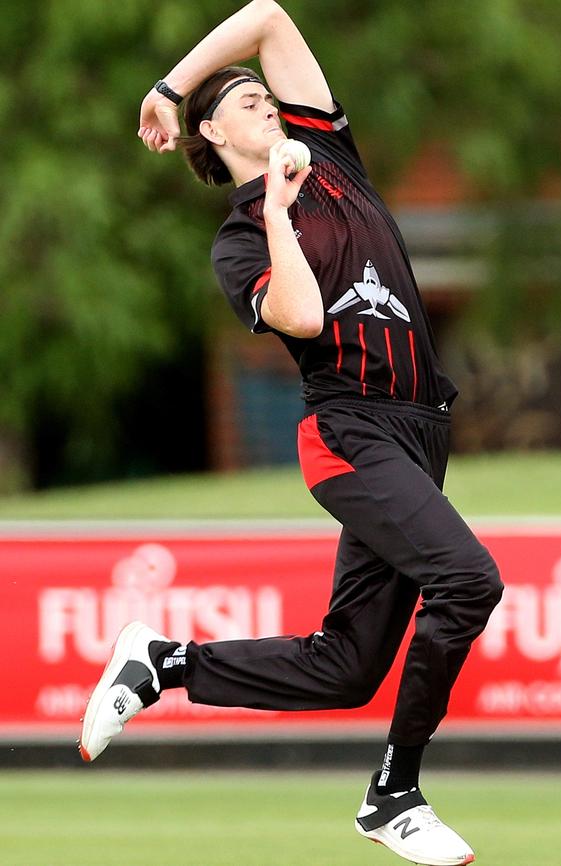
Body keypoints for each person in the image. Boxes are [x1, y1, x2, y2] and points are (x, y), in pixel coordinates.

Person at [80, 3, 503, 864]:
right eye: (245, 104)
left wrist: (170, 83)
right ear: (214, 135)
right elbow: (304, 315)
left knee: (347, 666)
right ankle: (396, 794)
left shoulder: (335, 157)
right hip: (350, 433)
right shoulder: (242, 241)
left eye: (270, 99)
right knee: (467, 580)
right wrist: (275, 202)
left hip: (423, 428)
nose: (267, 105)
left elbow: (268, 15)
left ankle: (163, 664)